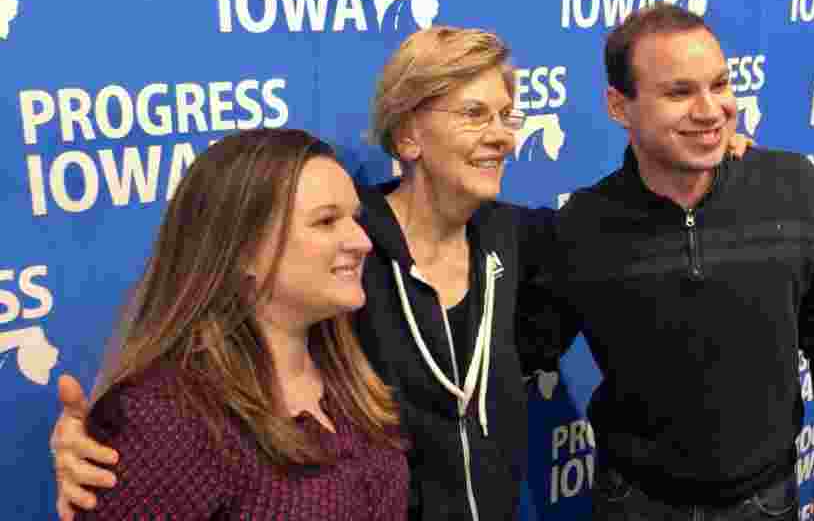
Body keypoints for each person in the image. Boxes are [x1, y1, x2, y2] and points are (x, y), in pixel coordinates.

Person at [49, 25, 756, 520]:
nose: (503, 133)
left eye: (508, 114)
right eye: (475, 112)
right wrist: (103, 442)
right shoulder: (344, 261)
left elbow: (632, 217)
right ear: (409, 133)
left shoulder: (528, 236)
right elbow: (225, 347)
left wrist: (703, 149)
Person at [518, 3, 814, 521]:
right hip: (632, 503)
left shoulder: (794, 188)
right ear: (619, 106)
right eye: (679, 92)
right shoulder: (582, 225)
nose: (711, 110)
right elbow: (519, 350)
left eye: (721, 84)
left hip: (765, 501)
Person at [66, 128, 409, 520]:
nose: (362, 241)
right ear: (242, 248)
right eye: (327, 221)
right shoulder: (166, 416)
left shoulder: (352, 376)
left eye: (355, 218)